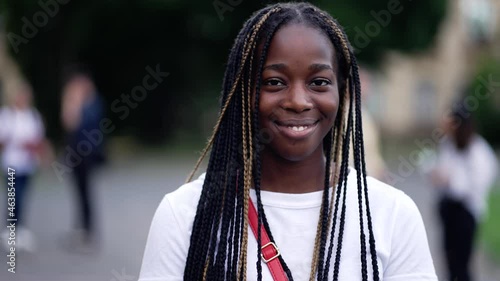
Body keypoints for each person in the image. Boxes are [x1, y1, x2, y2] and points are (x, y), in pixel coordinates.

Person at [139, 3, 437, 280]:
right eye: (274, 82)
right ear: (243, 92)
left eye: (318, 82)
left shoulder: (391, 214)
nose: (297, 101)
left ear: (342, 91)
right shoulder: (184, 215)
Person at [431, 104, 498, 281]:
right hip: (448, 209)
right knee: (449, 260)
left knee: (462, 262)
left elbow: (478, 183)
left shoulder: (478, 151)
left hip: (466, 212)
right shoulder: (448, 144)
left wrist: (451, 181)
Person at [60, 69, 105, 251]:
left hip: (87, 155)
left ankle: (88, 229)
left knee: (86, 192)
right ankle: (81, 228)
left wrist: (75, 104)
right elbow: (67, 123)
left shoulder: (93, 104)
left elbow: (77, 123)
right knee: (79, 192)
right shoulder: (80, 104)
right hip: (76, 154)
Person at [0, 83, 45, 252]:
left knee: (23, 196)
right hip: (11, 163)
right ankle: (11, 229)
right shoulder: (6, 115)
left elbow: (38, 140)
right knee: (14, 197)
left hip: (27, 164)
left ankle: (21, 228)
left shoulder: (33, 116)